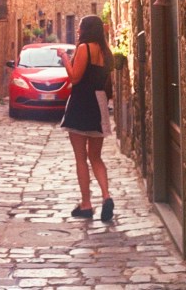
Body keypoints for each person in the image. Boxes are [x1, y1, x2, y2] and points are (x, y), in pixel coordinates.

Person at [60, 14, 114, 222]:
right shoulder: (105, 51)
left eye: (80, 27)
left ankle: (86, 204)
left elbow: (75, 78)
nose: (78, 31)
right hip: (99, 103)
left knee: (81, 157)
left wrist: (65, 59)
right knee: (96, 157)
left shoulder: (85, 48)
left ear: (86, 29)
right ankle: (106, 196)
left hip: (82, 104)